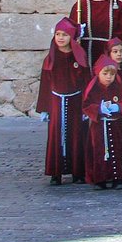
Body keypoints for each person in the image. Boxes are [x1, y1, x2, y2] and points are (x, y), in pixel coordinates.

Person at [37, 18, 89, 185]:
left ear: (72, 37)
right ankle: (56, 172)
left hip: (75, 101)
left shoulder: (79, 56)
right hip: (56, 101)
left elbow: (86, 82)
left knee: (76, 136)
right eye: (58, 34)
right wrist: (44, 108)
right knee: (56, 136)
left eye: (65, 34)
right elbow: (45, 83)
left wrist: (86, 107)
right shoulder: (50, 58)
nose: (60, 38)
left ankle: (77, 172)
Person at [82, 56, 122, 189]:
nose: (109, 77)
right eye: (105, 73)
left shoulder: (118, 87)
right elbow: (86, 105)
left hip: (116, 125)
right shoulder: (93, 87)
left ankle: (118, 178)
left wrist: (119, 106)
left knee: (118, 150)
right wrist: (98, 109)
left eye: (112, 74)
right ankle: (100, 179)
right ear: (98, 73)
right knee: (99, 151)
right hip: (99, 126)